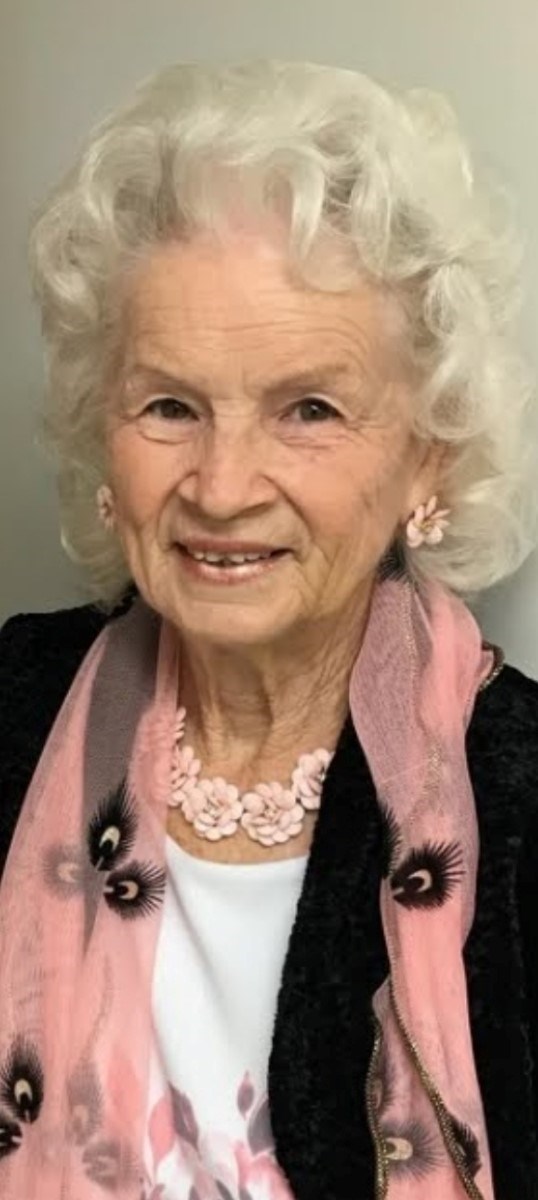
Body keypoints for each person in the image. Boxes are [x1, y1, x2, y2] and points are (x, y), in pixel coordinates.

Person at [0, 59, 537, 1200]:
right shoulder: (11, 702)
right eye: (169, 405)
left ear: (428, 459)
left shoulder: (520, 791)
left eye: (309, 410)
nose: (223, 485)